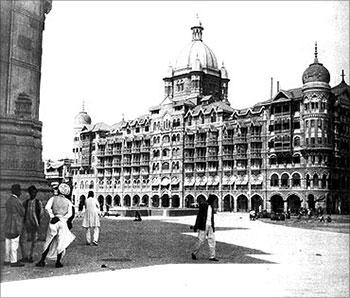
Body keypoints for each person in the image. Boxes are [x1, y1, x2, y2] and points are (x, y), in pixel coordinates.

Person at [36, 183, 75, 268]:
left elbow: (47, 208)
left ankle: (42, 260)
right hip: (62, 222)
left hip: (54, 222)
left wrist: (53, 216)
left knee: (49, 240)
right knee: (61, 242)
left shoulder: (53, 198)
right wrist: (63, 219)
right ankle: (58, 262)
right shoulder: (68, 202)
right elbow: (70, 214)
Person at [19, 185, 43, 263]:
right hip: (26, 222)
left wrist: (38, 221)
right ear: (29, 193)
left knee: (34, 240)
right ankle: (25, 256)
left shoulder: (38, 202)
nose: (33, 194)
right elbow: (22, 211)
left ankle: (31, 256)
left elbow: (41, 213)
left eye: (34, 192)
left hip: (35, 223)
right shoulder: (26, 202)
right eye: (32, 192)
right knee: (23, 240)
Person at [4, 184, 25, 267]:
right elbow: (22, 212)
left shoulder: (8, 200)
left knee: (7, 242)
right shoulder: (17, 201)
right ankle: (13, 261)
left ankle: (6, 260)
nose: (20, 193)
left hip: (8, 222)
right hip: (15, 223)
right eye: (19, 191)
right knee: (14, 243)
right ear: (17, 191)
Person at [191, 197, 218, 261]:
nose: (215, 203)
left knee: (212, 240)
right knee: (200, 240)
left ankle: (212, 256)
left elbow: (211, 218)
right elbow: (199, 216)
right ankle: (194, 253)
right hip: (203, 225)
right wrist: (196, 226)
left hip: (210, 225)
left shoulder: (211, 207)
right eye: (214, 201)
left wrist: (213, 226)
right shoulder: (203, 205)